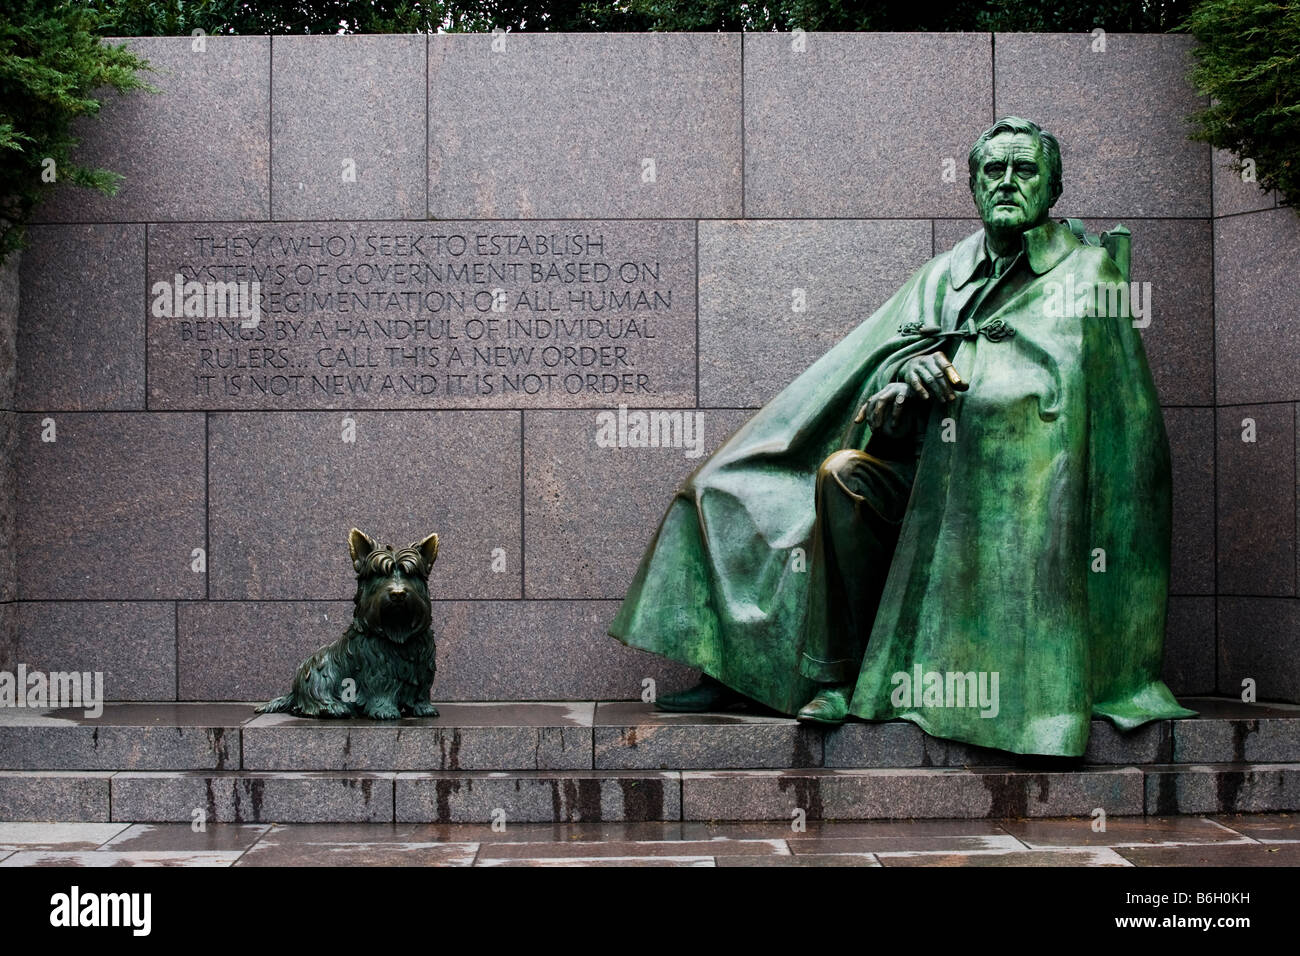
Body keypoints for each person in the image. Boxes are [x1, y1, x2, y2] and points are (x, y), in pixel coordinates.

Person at [608, 117, 1193, 757]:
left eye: (1023, 170)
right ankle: (777, 672)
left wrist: (968, 378)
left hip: (1004, 498)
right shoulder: (945, 273)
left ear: (1051, 188)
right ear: (972, 185)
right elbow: (876, 364)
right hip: (916, 479)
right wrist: (901, 378)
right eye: (991, 171)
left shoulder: (1088, 277)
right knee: (787, 480)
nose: (1005, 182)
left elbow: (1102, 425)